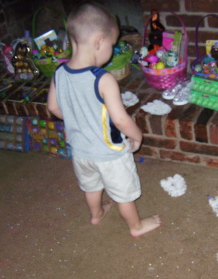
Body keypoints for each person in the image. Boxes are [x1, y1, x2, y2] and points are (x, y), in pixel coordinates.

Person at [47, 1, 161, 237]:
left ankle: (96, 215)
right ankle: (136, 227)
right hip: (109, 153)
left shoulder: (59, 72)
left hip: (80, 152)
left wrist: (79, 121)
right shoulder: (103, 78)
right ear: (99, 41)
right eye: (111, 44)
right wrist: (137, 136)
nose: (111, 49)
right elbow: (120, 120)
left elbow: (53, 107)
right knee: (123, 194)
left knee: (91, 186)